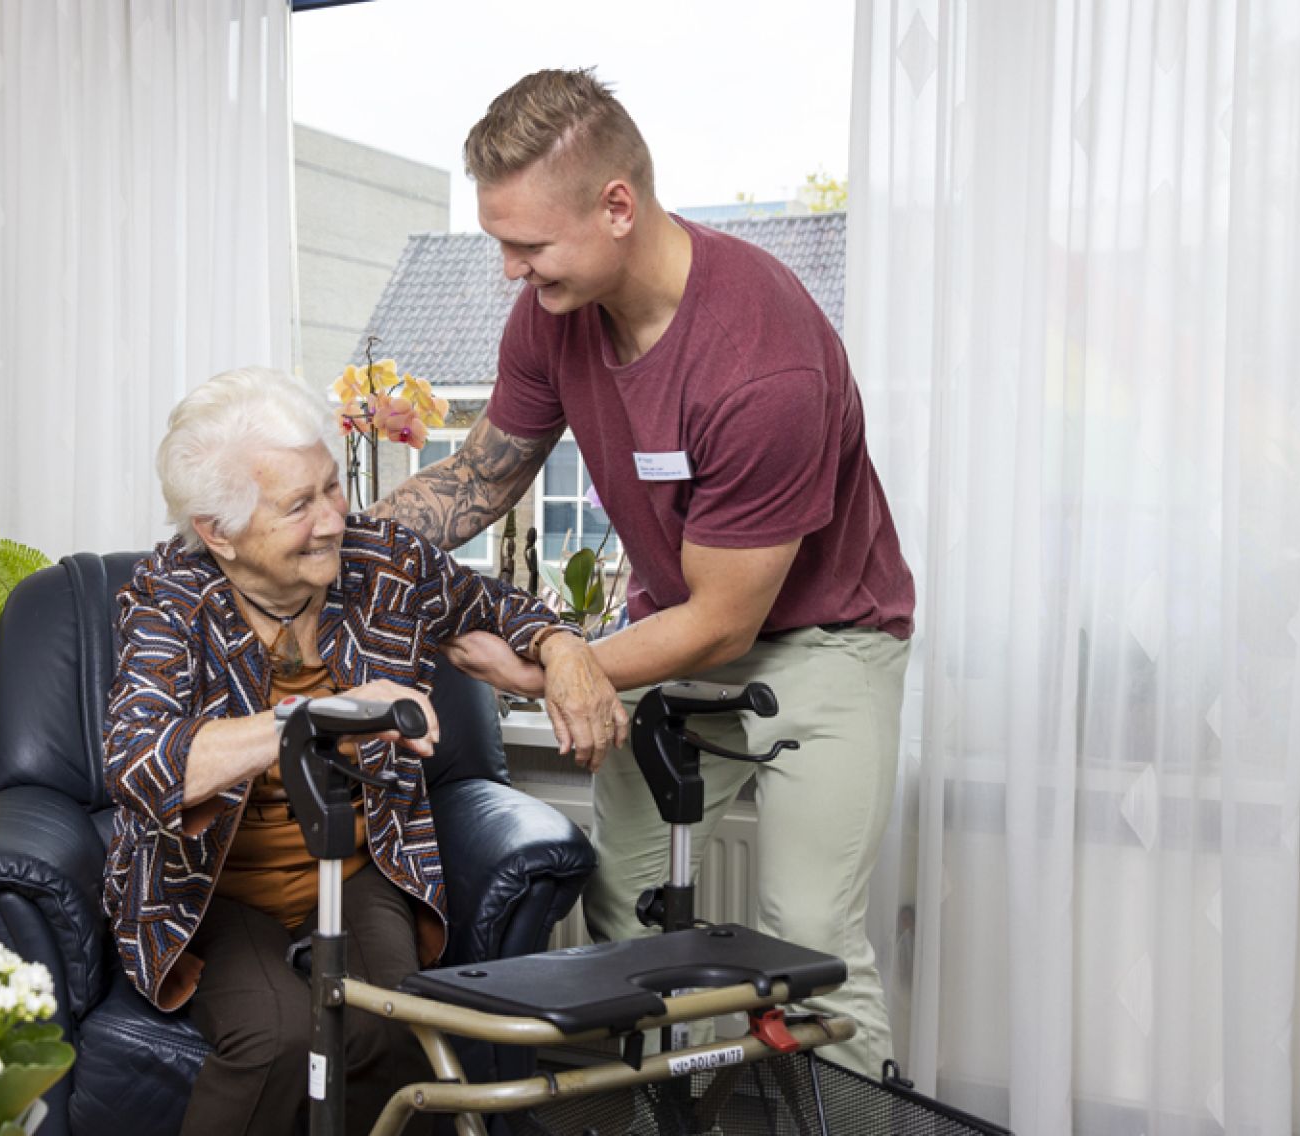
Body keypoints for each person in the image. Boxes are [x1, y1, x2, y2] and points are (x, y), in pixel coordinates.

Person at [376, 69, 914, 1076]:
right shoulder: (551, 312)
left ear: (616, 205)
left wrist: (562, 662)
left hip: (824, 641)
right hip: (670, 618)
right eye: (501, 242)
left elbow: (724, 621)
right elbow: (481, 478)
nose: (507, 269)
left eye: (528, 244)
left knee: (809, 937)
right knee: (621, 906)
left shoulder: (763, 361)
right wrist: (346, 540)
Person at [101, 366, 613, 1136]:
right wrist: (334, 713)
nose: (335, 519)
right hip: (215, 887)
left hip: (360, 860)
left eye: (332, 487)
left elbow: (505, 608)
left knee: (391, 1027)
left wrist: (564, 650)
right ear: (217, 533)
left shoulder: (383, 562)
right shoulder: (167, 597)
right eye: (298, 505)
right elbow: (143, 763)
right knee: (272, 1040)